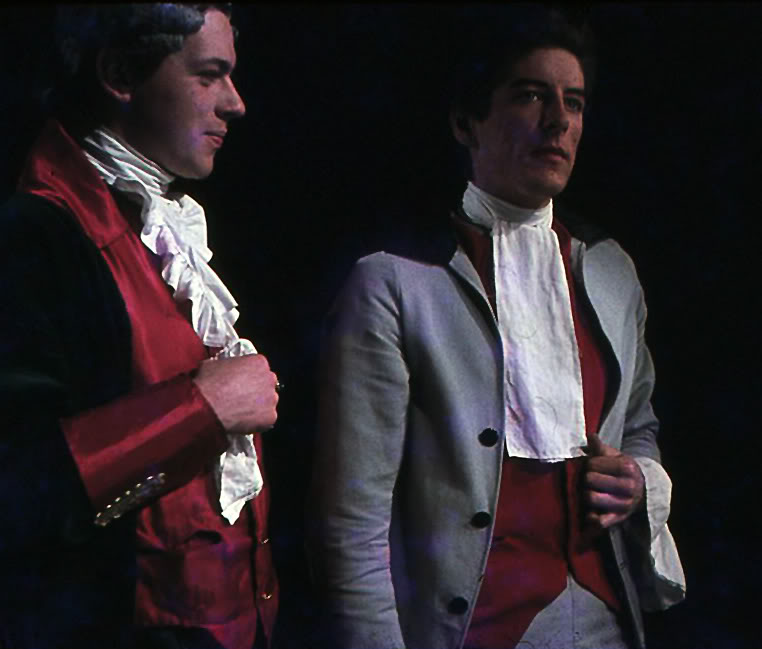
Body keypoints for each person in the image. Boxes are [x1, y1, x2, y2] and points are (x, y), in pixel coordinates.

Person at [310, 8, 685, 649]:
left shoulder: (610, 271)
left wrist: (637, 479)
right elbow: (353, 522)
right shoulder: (395, 284)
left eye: (573, 103)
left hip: (608, 618)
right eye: (530, 96)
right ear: (467, 123)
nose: (558, 121)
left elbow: (640, 427)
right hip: (473, 627)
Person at [0, 5, 279, 649]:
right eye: (208, 75)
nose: (234, 103)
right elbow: (22, 487)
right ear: (121, 75)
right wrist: (202, 410)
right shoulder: (36, 238)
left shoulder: (164, 226)